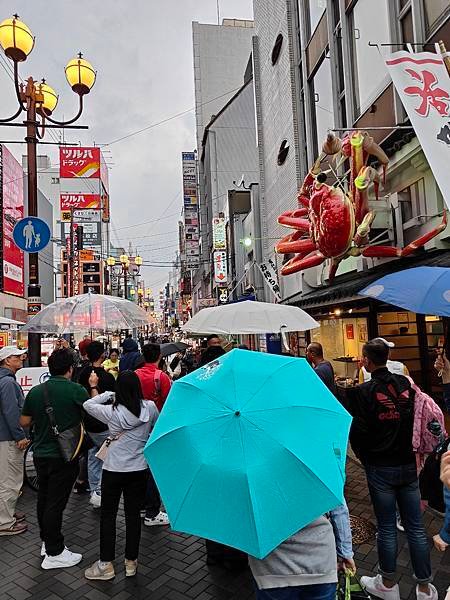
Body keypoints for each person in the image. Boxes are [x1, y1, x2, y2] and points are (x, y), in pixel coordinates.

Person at [348, 339, 437, 600]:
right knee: (416, 527)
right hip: (409, 465)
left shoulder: (361, 393)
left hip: (380, 467)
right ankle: (424, 588)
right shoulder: (407, 386)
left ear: (366, 360)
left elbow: (358, 436)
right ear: (387, 357)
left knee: (386, 526)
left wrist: (368, 460)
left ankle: (387, 584)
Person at [83, 370, 158, 581]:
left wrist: (106, 393)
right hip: (139, 469)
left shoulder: (111, 411)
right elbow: (156, 427)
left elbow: (88, 405)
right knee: (133, 516)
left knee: (109, 515)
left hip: (113, 470)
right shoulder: (150, 408)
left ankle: (105, 564)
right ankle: (131, 562)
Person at [20, 348, 88, 569]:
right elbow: (92, 414)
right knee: (55, 504)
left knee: (44, 499)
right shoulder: (76, 390)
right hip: (64, 455)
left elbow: (24, 421)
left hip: (40, 453)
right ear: (70, 369)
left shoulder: (37, 392)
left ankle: (46, 541)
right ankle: (54, 552)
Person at [250, 502, 355, 599]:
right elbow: (339, 511)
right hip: (320, 563)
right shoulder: (321, 481)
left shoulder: (248, 484)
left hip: (272, 568)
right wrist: (345, 553)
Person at [136, 343, 171, 527]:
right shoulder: (161, 377)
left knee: (141, 466)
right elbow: (168, 403)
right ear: (159, 356)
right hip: (155, 427)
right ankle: (152, 511)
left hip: (135, 426)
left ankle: (143, 505)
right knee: (153, 468)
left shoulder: (135, 375)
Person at [78, 341, 116, 508]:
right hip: (104, 423)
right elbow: (113, 399)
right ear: (102, 355)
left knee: (94, 455)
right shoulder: (107, 377)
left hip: (87, 422)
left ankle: (95, 492)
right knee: (107, 456)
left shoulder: (81, 373)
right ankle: (102, 491)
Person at [0, 346, 28, 536]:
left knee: (5, 479)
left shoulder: (5, 380)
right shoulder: (8, 383)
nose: (22, 358)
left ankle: (6, 514)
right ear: (7, 360)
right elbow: (12, 412)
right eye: (17, 356)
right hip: (8, 438)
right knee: (10, 480)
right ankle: (5, 522)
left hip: (4, 436)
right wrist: (20, 436)